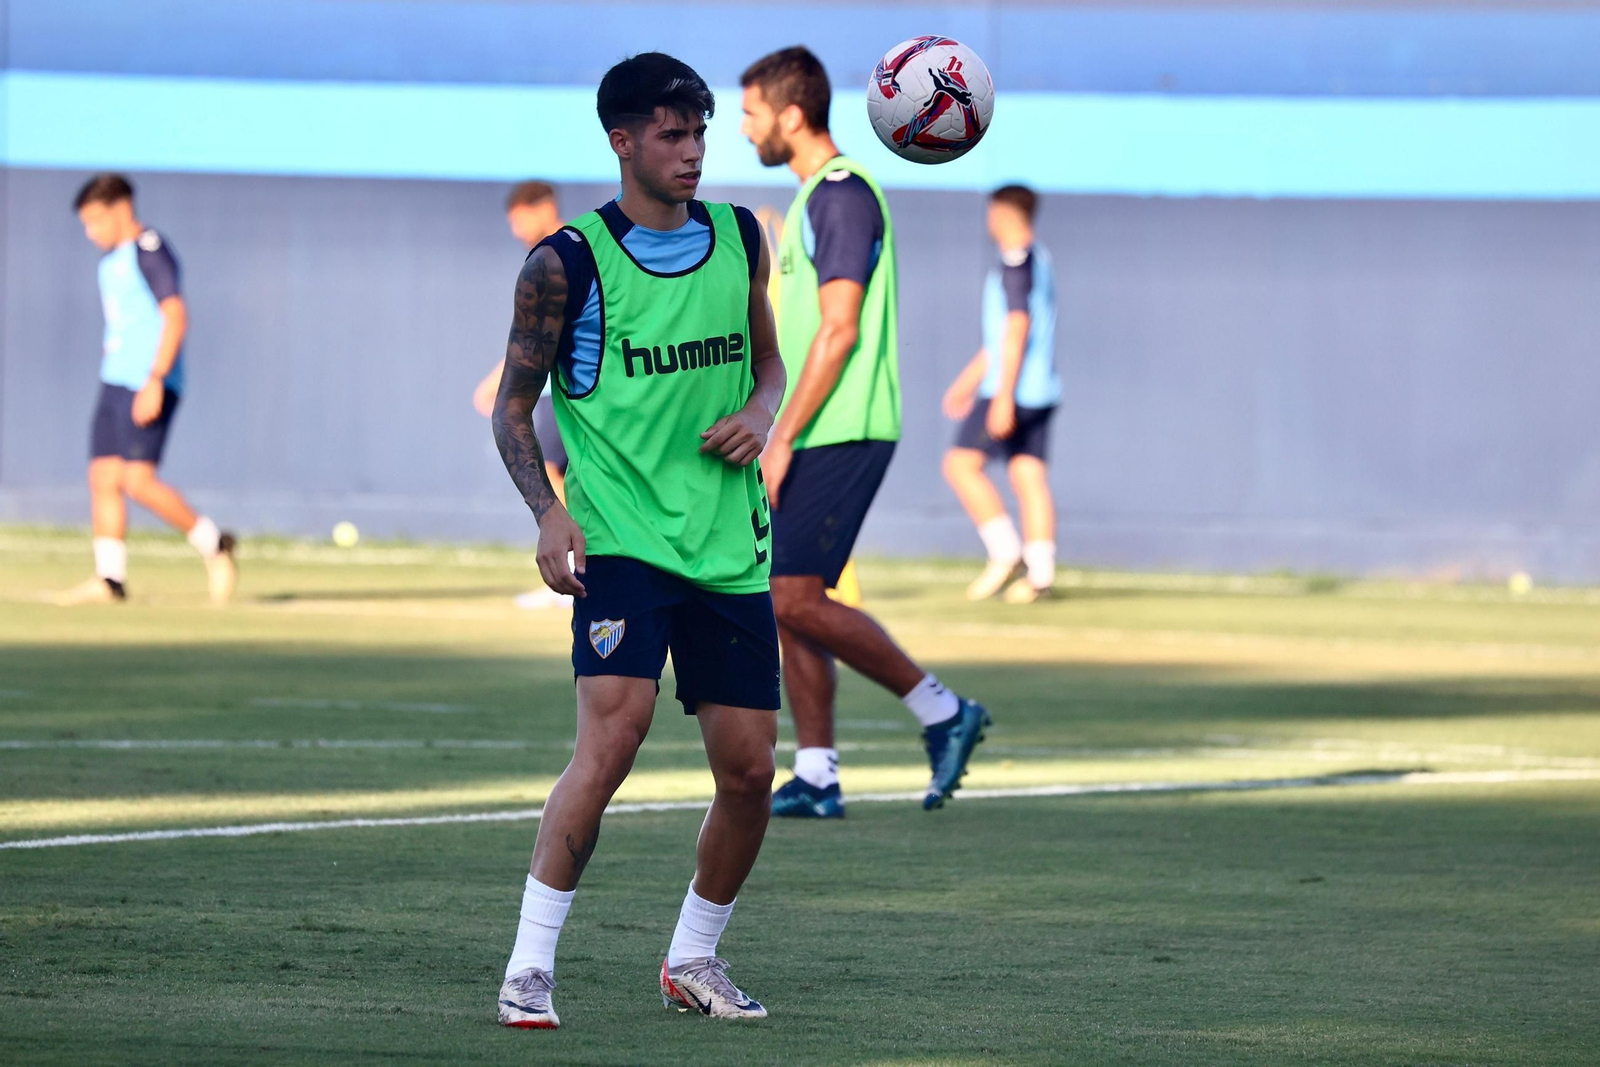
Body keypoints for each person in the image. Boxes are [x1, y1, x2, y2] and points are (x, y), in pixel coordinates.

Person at [490, 53, 785, 1029]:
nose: (693, 151)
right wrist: (549, 509)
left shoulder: (744, 237)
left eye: (700, 132)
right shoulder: (565, 264)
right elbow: (513, 409)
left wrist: (759, 409)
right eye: (671, 134)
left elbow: (770, 365)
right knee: (610, 744)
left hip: (730, 547)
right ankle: (530, 967)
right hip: (620, 542)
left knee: (749, 771)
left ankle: (693, 956)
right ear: (621, 141)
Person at [739, 46, 991, 819]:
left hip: (841, 429)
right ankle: (817, 773)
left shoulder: (841, 194)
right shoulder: (816, 194)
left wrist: (780, 436)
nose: (744, 129)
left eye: (750, 113)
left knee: (790, 594)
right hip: (820, 428)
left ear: (789, 113)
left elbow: (840, 331)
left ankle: (943, 710)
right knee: (789, 595)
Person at [58, 174, 237, 606]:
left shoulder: (150, 251)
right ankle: (110, 580)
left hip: (150, 381)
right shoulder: (109, 265)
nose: (91, 232)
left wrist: (155, 379)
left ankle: (215, 545)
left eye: (96, 220)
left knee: (137, 481)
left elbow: (174, 315)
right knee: (103, 476)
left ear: (120, 209)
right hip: (114, 380)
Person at [942, 185, 1061, 603]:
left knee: (960, 465)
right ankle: (1041, 575)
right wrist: (968, 381)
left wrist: (1003, 394)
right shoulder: (1039, 258)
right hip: (1041, 388)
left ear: (1008, 213)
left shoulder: (1015, 261)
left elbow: (1016, 329)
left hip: (1013, 388)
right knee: (1028, 475)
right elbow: (1001, 337)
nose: (989, 221)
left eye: (994, 213)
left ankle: (1005, 551)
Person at [472, 181, 573, 609]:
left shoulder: (568, 251)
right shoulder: (551, 252)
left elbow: (546, 334)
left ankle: (572, 565)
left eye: (519, 219)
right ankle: (575, 565)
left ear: (543, 208)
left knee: (550, 470)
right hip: (552, 386)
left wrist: (503, 380)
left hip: (563, 387)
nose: (516, 231)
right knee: (559, 474)